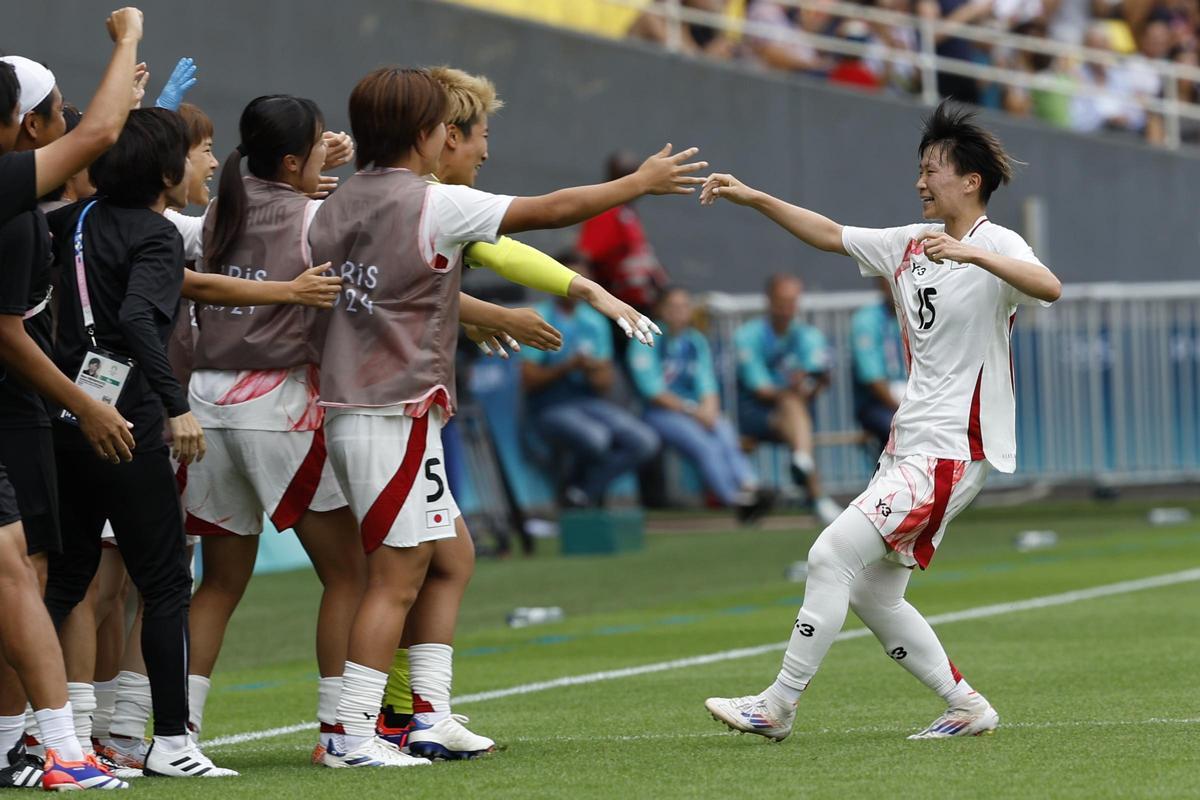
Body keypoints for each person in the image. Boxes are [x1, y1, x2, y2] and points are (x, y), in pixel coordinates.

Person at [308, 66, 704, 769]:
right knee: (396, 578)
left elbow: (393, 292)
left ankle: (426, 717)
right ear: (427, 134)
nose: (468, 143)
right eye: (451, 129)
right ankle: (352, 736)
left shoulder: (338, 202)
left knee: (449, 556)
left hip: (377, 408)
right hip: (388, 411)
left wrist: (483, 314)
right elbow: (550, 212)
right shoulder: (429, 202)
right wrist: (635, 185)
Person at [700, 100, 1060, 741]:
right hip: (910, 445)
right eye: (919, 169)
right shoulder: (908, 243)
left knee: (829, 554)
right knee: (873, 593)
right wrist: (753, 197)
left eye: (933, 169)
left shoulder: (995, 244)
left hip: (951, 448)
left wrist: (975, 258)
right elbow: (828, 232)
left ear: (970, 180)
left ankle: (777, 705)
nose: (921, 182)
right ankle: (967, 707)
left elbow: (1048, 285)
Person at [43, 107, 235, 778]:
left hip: (63, 413)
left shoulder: (71, 220)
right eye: (193, 153)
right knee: (163, 581)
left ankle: (42, 730)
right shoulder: (156, 234)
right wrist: (176, 407)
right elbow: (137, 320)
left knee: (63, 582)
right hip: (124, 421)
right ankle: (174, 743)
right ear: (163, 170)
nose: (202, 163)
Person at [182, 94, 367, 761]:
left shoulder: (216, 209)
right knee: (352, 573)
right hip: (277, 399)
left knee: (220, 582)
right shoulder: (319, 218)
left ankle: (178, 736)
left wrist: (313, 165)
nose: (329, 150)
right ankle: (341, 736)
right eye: (319, 143)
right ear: (293, 159)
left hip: (206, 401)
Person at [0, 45, 142, 791]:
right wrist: (126, 38)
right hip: (15, 404)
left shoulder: (21, 205)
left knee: (25, 569)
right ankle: (62, 749)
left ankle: (10, 745)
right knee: (16, 573)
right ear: (27, 127)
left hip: (15, 411)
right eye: (55, 113)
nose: (67, 128)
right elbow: (99, 133)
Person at [523, 256, 661, 509]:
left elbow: (605, 383)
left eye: (583, 281)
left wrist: (591, 369)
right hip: (548, 406)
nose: (579, 288)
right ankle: (576, 493)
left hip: (588, 401)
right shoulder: (538, 317)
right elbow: (528, 380)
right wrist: (566, 366)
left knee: (644, 441)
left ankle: (581, 492)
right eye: (571, 280)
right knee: (596, 439)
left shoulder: (595, 320)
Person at [627, 286, 772, 521]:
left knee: (724, 431)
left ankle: (751, 486)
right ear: (661, 310)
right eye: (673, 307)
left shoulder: (695, 341)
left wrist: (710, 409)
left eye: (684, 307)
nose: (680, 313)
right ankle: (733, 499)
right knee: (703, 444)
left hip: (694, 411)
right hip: (659, 414)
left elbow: (707, 384)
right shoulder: (646, 337)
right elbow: (651, 390)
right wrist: (693, 411)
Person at [733, 273, 840, 525]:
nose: (787, 308)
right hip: (756, 414)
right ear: (768, 300)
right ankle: (816, 493)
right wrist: (795, 391)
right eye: (782, 301)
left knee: (795, 409)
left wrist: (813, 383)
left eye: (792, 301)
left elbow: (816, 377)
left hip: (796, 414)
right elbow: (761, 389)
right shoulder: (747, 335)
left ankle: (802, 463)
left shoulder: (808, 335)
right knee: (793, 407)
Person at [576, 151, 668, 315]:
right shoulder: (605, 211)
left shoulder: (627, 211)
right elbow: (585, 258)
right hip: (615, 305)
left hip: (639, 302)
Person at [851, 277, 907, 451]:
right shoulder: (866, 320)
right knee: (902, 431)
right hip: (878, 404)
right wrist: (906, 412)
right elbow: (873, 380)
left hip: (913, 397)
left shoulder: (919, 314)